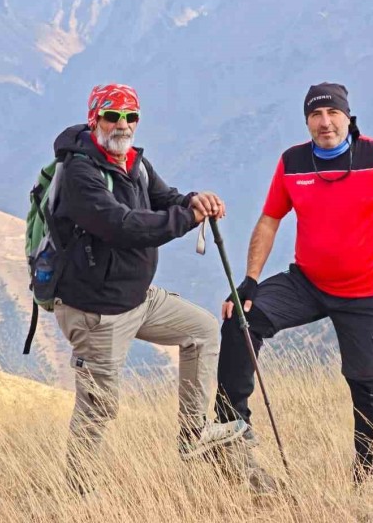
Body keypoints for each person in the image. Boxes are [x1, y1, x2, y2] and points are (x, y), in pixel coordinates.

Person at [214, 82, 373, 484]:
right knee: (241, 317)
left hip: (366, 289)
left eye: (332, 114)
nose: (325, 123)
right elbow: (270, 220)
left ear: (347, 116)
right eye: (316, 115)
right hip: (306, 282)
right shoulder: (293, 162)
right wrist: (250, 281)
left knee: (367, 383)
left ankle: (372, 476)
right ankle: (230, 430)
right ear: (307, 121)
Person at [49, 83, 248, 492]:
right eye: (112, 116)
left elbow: (165, 198)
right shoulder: (79, 173)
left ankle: (193, 434)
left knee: (203, 330)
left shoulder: (135, 163)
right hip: (97, 310)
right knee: (98, 408)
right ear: (94, 119)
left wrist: (195, 200)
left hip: (138, 299)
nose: (122, 125)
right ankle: (76, 497)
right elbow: (123, 227)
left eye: (130, 117)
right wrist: (187, 220)